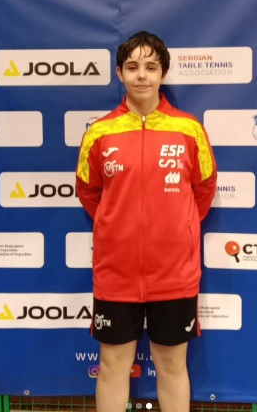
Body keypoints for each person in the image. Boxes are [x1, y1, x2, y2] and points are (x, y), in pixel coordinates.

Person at [76, 31, 217, 412]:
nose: (142, 75)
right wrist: (116, 226)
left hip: (174, 273)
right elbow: (88, 191)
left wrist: (178, 228)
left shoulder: (188, 129)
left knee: (171, 366)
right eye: (133, 67)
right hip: (116, 273)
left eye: (151, 67)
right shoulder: (99, 133)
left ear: (163, 74)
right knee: (112, 366)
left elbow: (204, 188)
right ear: (119, 73)